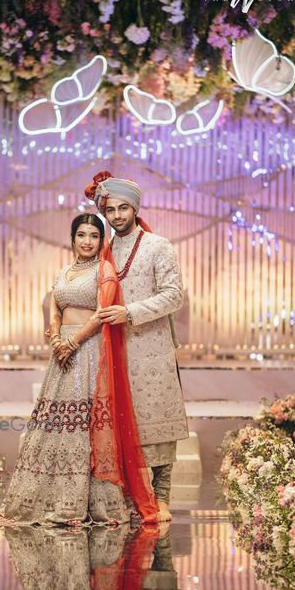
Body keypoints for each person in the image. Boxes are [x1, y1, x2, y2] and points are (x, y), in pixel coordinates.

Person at [0, 213, 158, 527]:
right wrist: (56, 338)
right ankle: (46, 498)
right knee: (55, 422)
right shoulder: (64, 272)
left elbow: (101, 314)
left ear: (101, 240)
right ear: (72, 239)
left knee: (84, 422)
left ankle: (87, 501)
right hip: (61, 352)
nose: (87, 241)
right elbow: (55, 308)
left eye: (94, 236)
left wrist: (73, 343)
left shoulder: (104, 270)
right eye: (81, 235)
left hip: (88, 350)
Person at [85, 171, 189, 522]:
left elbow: (174, 295)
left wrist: (129, 313)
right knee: (124, 426)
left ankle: (162, 498)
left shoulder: (158, 246)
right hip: (114, 351)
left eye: (123, 208)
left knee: (157, 422)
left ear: (135, 208)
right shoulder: (104, 251)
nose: (117, 216)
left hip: (152, 349)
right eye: (110, 210)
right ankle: (132, 497)